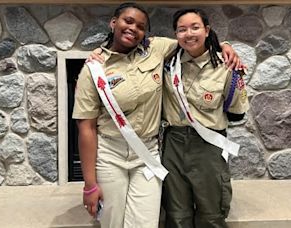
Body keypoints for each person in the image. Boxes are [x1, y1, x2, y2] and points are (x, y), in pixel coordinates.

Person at [74, 3, 243, 228]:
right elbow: (86, 128)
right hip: (112, 153)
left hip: (150, 153)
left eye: (141, 26)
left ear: (146, 33)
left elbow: (193, 41)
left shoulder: (157, 50)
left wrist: (224, 45)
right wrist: (90, 185)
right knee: (118, 221)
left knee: (149, 222)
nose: (133, 28)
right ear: (113, 22)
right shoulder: (94, 67)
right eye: (127, 21)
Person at [161, 8, 250, 228]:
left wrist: (225, 45)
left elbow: (238, 113)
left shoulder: (227, 66)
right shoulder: (167, 63)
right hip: (173, 144)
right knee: (176, 214)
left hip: (208, 146)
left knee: (211, 213)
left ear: (207, 30)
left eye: (195, 27)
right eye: (182, 29)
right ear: (175, 34)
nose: (188, 34)